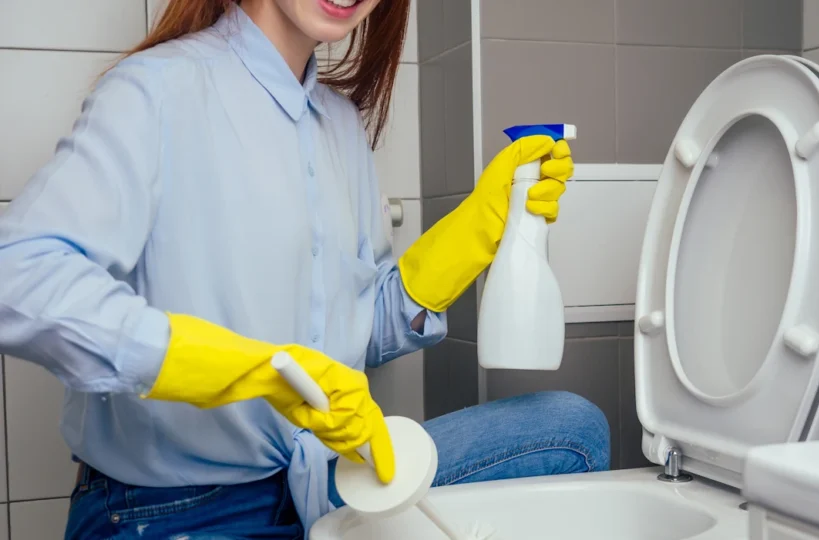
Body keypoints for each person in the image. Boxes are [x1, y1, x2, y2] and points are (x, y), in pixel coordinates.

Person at [0, 0, 610, 537]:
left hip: (327, 484)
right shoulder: (156, 90)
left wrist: (481, 225)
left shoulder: (341, 128)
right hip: (175, 509)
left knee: (570, 430)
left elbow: (355, 332)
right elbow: (20, 276)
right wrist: (251, 371)